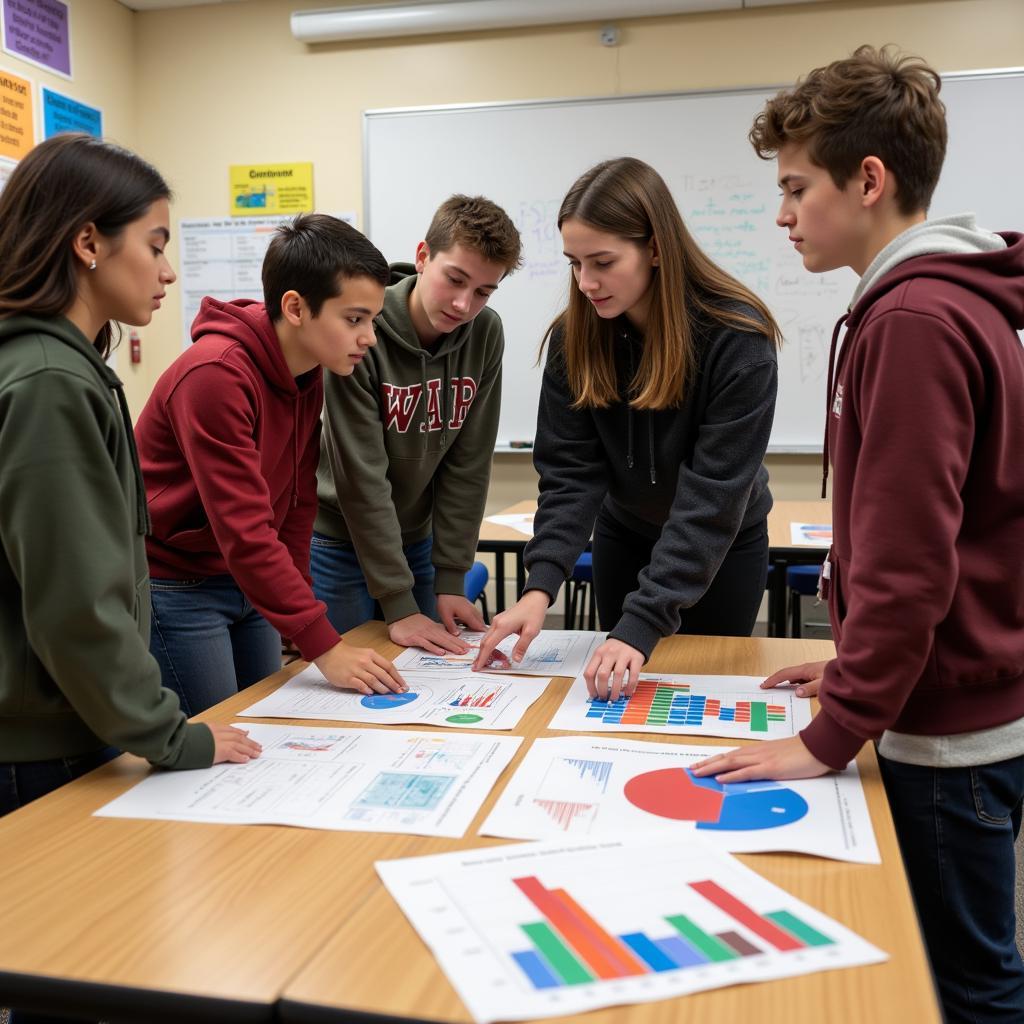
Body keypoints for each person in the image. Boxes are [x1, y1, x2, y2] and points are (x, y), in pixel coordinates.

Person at [692, 46, 1024, 1023]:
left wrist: (835, 728)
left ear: (867, 180)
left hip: (944, 740)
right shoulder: (936, 300)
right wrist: (847, 663)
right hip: (953, 700)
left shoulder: (914, 319)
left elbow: (911, 562)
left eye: (796, 187)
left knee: (962, 986)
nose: (783, 213)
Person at [0, 136, 261, 800]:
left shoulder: (57, 365)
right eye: (154, 244)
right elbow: (76, 603)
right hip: (37, 751)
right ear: (89, 243)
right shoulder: (50, 381)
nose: (168, 271)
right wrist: (171, 735)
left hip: (61, 727)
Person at [473, 157, 781, 696]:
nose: (586, 282)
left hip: (723, 546)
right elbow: (571, 474)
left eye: (603, 262)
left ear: (656, 248)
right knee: (621, 697)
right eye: (574, 262)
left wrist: (641, 625)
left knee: (708, 695)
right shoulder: (575, 339)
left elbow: (711, 502)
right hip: (626, 536)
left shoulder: (738, 340)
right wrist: (539, 588)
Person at [136, 214, 406, 716]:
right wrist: (324, 643)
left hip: (246, 584)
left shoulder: (308, 375)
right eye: (354, 319)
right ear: (296, 307)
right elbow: (246, 529)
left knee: (271, 726)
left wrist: (303, 617)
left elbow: (297, 507)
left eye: (372, 319)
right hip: (178, 585)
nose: (369, 337)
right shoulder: (215, 375)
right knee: (220, 737)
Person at [312, 195, 522, 655]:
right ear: (424, 256)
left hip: (419, 543)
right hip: (339, 541)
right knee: (349, 682)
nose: (465, 304)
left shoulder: (486, 333)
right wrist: (398, 603)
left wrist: (452, 576)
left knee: (428, 682)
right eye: (456, 279)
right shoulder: (362, 327)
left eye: (485, 291)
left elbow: (468, 463)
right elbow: (361, 478)